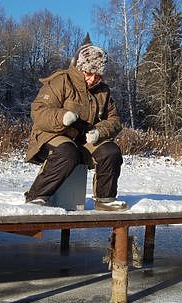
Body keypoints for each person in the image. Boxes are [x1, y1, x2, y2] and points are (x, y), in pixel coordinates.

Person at [24, 35, 127, 212]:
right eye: (90, 73)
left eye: (98, 75)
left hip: (83, 140)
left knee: (111, 151)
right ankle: (36, 197)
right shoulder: (61, 81)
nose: (94, 79)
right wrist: (62, 117)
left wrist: (99, 131)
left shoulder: (104, 91)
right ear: (80, 68)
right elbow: (38, 111)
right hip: (51, 134)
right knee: (67, 152)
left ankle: (105, 199)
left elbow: (115, 120)